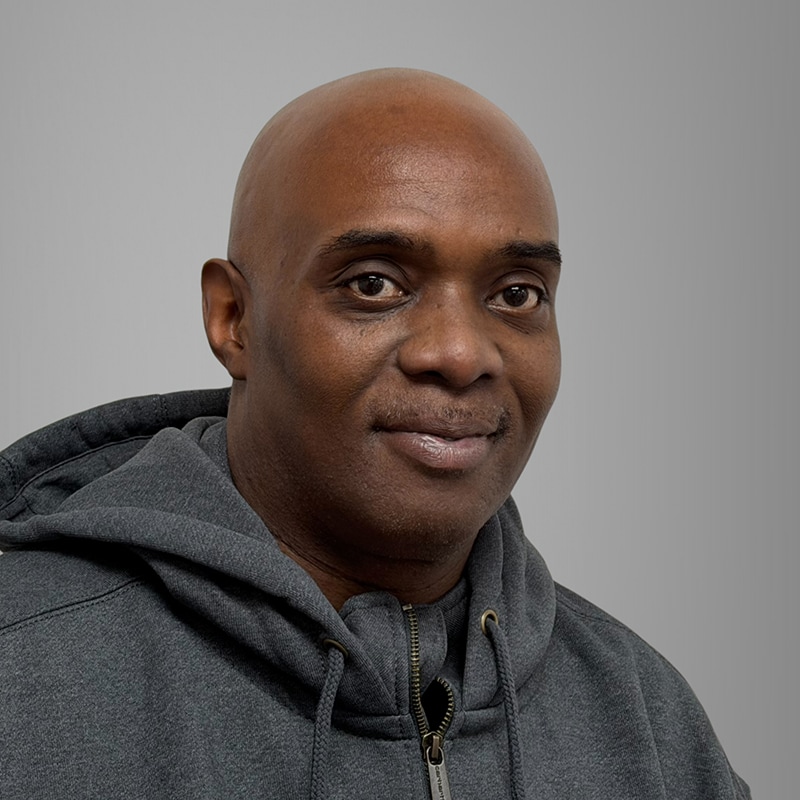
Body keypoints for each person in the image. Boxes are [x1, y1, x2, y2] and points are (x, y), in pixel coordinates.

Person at [0, 69, 749, 799]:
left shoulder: (648, 722)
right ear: (233, 319)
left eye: (517, 294)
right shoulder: (22, 674)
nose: (460, 354)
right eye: (373, 284)